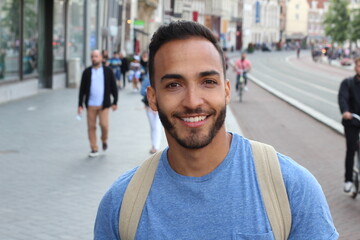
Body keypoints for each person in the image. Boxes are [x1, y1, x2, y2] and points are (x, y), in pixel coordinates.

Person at [94, 21, 338, 239]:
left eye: (208, 82)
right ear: (153, 97)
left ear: (227, 90)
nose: (192, 101)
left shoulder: (291, 189)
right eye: (174, 84)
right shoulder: (122, 205)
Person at [78, 50, 118, 157]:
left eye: (96, 56)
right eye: (92, 56)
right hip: (90, 105)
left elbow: (114, 87)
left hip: (104, 105)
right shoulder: (87, 72)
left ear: (101, 58)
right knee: (91, 127)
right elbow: (82, 89)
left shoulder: (108, 71)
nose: (94, 58)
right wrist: (80, 105)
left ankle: (104, 140)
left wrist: (115, 102)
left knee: (104, 125)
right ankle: (94, 148)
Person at [338, 57, 360, 192]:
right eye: (359, 65)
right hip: (352, 121)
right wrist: (345, 111)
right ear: (355, 67)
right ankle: (348, 180)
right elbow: (343, 98)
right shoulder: (348, 83)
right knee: (351, 148)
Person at [140, 73, 162, 154]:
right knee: (153, 126)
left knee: (157, 126)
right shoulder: (147, 78)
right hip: (149, 106)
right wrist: (149, 92)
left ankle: (156, 146)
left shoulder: (162, 76)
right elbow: (142, 91)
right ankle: (154, 145)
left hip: (160, 106)